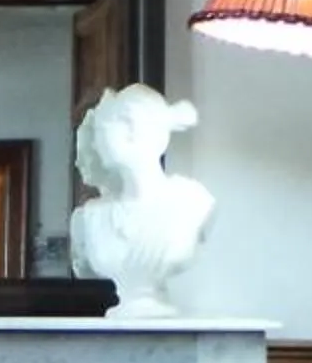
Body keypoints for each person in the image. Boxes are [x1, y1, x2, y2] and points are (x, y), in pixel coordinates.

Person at [68, 84, 215, 318]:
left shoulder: (192, 203)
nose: (95, 143)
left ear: (133, 131)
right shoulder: (91, 218)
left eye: (102, 130)